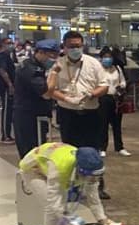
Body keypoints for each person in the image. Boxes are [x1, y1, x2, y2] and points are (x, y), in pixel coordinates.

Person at [47, 31, 110, 199]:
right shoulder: (57, 65)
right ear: (64, 47)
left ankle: (97, 187)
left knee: (93, 150)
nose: (76, 49)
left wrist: (91, 94)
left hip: (91, 112)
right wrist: (67, 98)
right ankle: (73, 186)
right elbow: (51, 90)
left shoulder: (93, 63)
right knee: (70, 151)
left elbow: (104, 86)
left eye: (78, 46)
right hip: (68, 113)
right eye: (72, 46)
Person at [18, 143, 119, 225]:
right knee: (52, 208)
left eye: (97, 176)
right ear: (80, 170)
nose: (94, 180)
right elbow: (55, 204)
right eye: (91, 177)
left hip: (52, 165)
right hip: (33, 170)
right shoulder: (61, 169)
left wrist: (103, 219)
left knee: (63, 211)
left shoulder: (92, 171)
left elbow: (94, 199)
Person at [13, 39, 60, 159]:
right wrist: (54, 73)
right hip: (28, 116)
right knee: (30, 154)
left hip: (38, 114)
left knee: (40, 150)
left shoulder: (39, 66)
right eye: (51, 55)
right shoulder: (30, 69)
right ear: (40, 52)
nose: (54, 59)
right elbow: (45, 93)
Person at [98, 47, 130, 157]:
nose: (108, 59)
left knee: (117, 124)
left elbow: (123, 81)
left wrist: (121, 87)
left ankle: (119, 147)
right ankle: (102, 147)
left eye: (109, 57)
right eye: (105, 57)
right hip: (103, 98)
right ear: (101, 58)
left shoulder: (117, 68)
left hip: (116, 98)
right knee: (103, 123)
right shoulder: (98, 69)